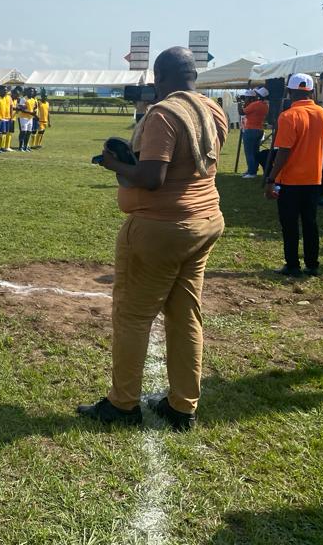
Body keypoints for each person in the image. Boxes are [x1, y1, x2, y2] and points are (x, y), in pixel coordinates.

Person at [79, 46, 227, 431]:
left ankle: (123, 403)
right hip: (204, 220)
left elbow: (152, 177)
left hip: (161, 228)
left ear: (159, 77)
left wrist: (114, 164)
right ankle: (182, 405)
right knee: (184, 315)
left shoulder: (164, 113)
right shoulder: (212, 110)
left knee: (132, 315)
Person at [266, 73, 323, 277]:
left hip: (291, 180)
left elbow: (283, 150)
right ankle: (312, 264)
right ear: (311, 91)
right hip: (314, 178)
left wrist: (271, 178)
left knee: (290, 223)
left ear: (289, 91)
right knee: (310, 222)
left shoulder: (288, 116)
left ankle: (292, 264)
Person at [239, 88, 269, 178]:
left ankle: (252, 172)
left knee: (249, 153)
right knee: (255, 152)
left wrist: (239, 103)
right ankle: (252, 170)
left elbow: (242, 112)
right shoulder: (265, 105)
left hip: (250, 130)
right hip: (259, 130)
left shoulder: (255, 104)